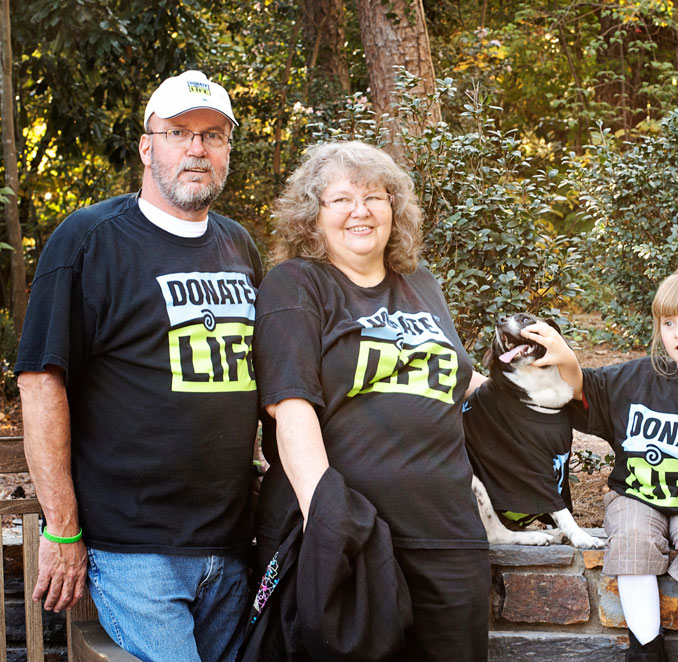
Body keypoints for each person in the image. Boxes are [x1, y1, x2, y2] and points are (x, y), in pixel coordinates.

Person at [15, 70, 261, 661]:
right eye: (178, 133)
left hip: (232, 543)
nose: (196, 149)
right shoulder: (88, 240)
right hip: (134, 548)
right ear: (148, 146)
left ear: (227, 149)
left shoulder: (239, 245)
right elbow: (40, 382)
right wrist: (63, 528)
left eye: (212, 135)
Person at [250, 140, 489, 661]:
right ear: (312, 216)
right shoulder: (295, 284)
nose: (360, 210)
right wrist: (329, 523)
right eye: (340, 200)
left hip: (447, 535)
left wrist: (544, 378)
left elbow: (460, 384)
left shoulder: (421, 283)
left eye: (375, 197)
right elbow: (291, 407)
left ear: (394, 209)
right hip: (348, 534)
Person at [522, 262, 678, 662]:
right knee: (634, 537)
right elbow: (584, 386)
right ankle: (646, 649)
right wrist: (564, 354)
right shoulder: (641, 376)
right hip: (635, 495)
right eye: (669, 323)